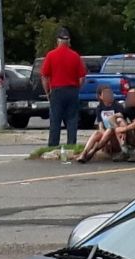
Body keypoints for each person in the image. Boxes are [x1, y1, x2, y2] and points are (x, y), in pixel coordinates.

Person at [39, 28, 84, 162]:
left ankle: (53, 146)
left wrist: (47, 92)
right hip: (72, 90)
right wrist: (76, 89)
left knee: (55, 120)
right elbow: (82, 77)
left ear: (58, 41)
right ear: (68, 41)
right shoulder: (75, 56)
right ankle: (71, 145)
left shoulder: (51, 55)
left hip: (57, 90)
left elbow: (44, 76)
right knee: (72, 120)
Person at [76, 85, 123, 162]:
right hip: (105, 137)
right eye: (106, 93)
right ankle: (84, 153)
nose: (109, 95)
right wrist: (104, 134)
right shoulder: (99, 108)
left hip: (115, 136)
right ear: (100, 96)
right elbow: (100, 125)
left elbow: (120, 122)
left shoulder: (117, 106)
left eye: (110, 93)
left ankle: (93, 151)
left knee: (110, 130)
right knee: (97, 133)